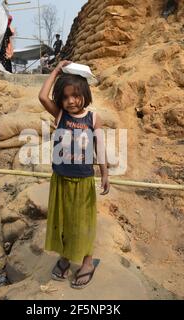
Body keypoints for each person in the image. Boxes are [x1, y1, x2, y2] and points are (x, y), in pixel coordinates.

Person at [38, 60, 110, 289]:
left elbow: (100, 146)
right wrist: (57, 69)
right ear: (60, 99)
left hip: (83, 181)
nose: (71, 101)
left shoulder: (92, 118)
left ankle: (87, 262)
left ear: (84, 94)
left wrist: (105, 173)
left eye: (76, 96)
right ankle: (65, 257)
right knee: (64, 221)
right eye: (66, 97)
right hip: (60, 179)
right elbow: (42, 96)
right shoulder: (60, 115)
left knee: (83, 223)